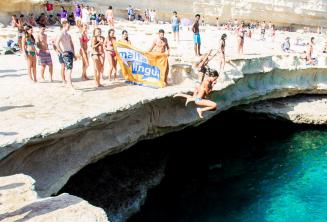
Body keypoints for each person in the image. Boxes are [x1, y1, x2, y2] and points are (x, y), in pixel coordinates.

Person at [55, 21, 76, 88]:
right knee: (69, 68)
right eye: (68, 25)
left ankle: (68, 82)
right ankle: (69, 83)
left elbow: (71, 44)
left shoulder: (68, 34)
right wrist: (62, 52)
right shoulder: (61, 34)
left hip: (70, 52)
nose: (69, 26)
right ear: (64, 25)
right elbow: (56, 43)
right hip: (65, 52)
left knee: (69, 68)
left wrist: (74, 53)